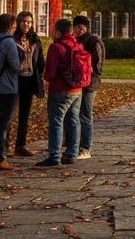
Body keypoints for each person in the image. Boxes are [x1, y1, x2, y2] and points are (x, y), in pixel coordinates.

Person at [36, 19, 87, 167]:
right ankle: (71, 153)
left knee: (56, 122)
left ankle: (54, 155)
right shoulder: (77, 45)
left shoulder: (56, 47)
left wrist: (46, 79)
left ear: (58, 31)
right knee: (74, 121)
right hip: (77, 89)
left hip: (60, 89)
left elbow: (50, 72)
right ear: (70, 31)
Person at [0, 13, 24, 171]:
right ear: (10, 26)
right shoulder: (8, 41)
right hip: (7, 86)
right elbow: (15, 64)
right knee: (3, 123)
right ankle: (0, 157)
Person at [10, 11, 45, 158]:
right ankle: (3, 146)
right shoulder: (12, 39)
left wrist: (41, 76)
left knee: (24, 115)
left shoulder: (34, 39)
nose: (27, 24)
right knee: (9, 114)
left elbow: (40, 60)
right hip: (15, 79)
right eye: (24, 21)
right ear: (18, 23)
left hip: (29, 80)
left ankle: (21, 145)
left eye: (29, 22)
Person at [71, 15, 104, 159]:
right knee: (76, 115)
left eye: (82, 27)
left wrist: (90, 76)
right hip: (78, 82)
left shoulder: (94, 41)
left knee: (85, 114)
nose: (79, 30)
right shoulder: (76, 40)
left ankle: (85, 148)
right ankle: (75, 145)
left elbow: (98, 65)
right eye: (77, 27)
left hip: (90, 83)